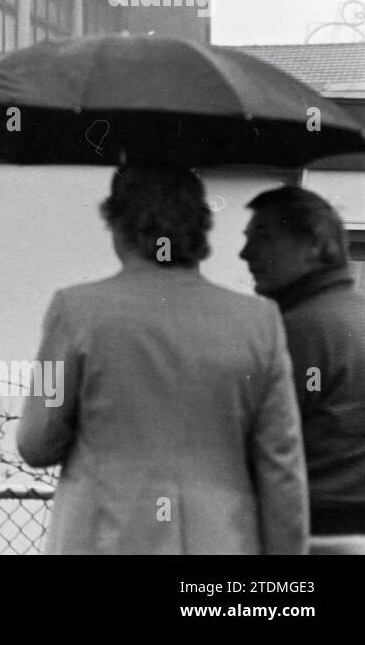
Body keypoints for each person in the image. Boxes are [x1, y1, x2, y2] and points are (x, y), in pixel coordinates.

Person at [17, 163, 308, 554]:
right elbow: (281, 468)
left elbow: (37, 442)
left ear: (118, 227)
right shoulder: (258, 322)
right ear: (201, 228)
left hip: (102, 539)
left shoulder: (72, 312)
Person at [242, 186, 365, 554]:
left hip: (309, 535)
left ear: (314, 245)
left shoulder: (300, 330)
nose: (245, 253)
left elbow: (250, 439)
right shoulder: (352, 315)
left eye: (263, 237)